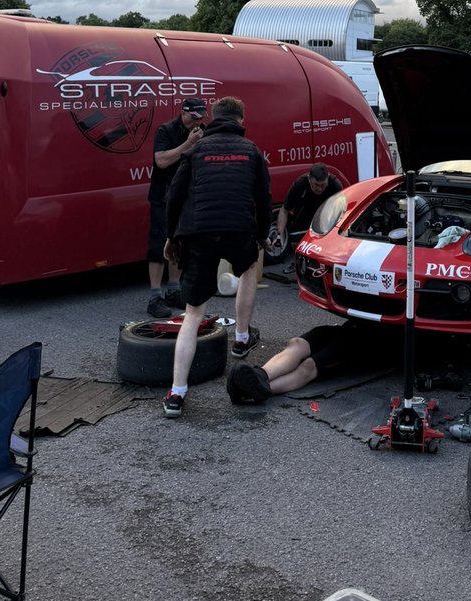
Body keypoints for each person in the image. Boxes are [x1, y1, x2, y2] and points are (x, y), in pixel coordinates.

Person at [161, 96, 272, 419]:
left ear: (213, 118)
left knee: (193, 313)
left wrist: (171, 237)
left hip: (199, 232)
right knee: (249, 268)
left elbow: (174, 196)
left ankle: (176, 394)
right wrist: (262, 235)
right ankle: (240, 337)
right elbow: (263, 199)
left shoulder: (196, 150)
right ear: (240, 120)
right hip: (239, 228)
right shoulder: (251, 151)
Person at [226, 319, 401, 404]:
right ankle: (260, 375)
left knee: (308, 366)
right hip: (344, 328)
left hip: (366, 344)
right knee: (296, 344)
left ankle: (257, 390)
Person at [145, 97, 207, 318]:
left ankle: (174, 290)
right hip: (163, 195)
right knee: (158, 243)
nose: (196, 123)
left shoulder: (201, 130)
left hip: (184, 195)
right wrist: (188, 144)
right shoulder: (166, 131)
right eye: (193, 117)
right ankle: (154, 296)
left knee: (179, 242)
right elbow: (161, 161)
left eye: (200, 118)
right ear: (183, 113)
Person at [275, 164, 343, 250]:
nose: (319, 189)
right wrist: (279, 236)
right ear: (309, 179)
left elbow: (343, 211)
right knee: (297, 247)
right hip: (303, 216)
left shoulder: (335, 185)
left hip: (326, 217)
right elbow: (284, 211)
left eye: (323, 185)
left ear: (328, 178)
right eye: (316, 185)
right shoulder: (299, 184)